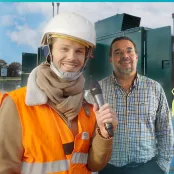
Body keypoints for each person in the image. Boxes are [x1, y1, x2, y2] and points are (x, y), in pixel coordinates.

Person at [0, 12, 118, 174]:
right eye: (64, 48)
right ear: (49, 51)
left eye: (79, 51)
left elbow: (93, 165)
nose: (72, 57)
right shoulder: (17, 104)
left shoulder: (89, 107)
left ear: (85, 57)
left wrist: (103, 135)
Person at [85, 36, 174, 174]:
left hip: (148, 168)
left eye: (129, 51)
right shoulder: (96, 92)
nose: (125, 56)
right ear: (111, 59)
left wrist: (162, 167)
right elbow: (88, 135)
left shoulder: (155, 89)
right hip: (109, 169)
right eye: (118, 52)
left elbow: (165, 132)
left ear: (136, 56)